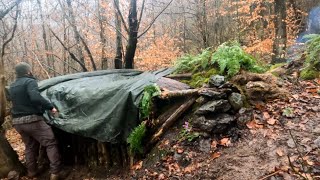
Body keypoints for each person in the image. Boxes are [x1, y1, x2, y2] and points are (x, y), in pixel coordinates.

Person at [8, 62, 63, 180]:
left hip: (17, 122)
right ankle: (55, 173)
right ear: (28, 71)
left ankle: (32, 172)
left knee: (29, 146)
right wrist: (51, 107)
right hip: (32, 120)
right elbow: (35, 97)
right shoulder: (30, 81)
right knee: (50, 143)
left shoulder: (12, 86)